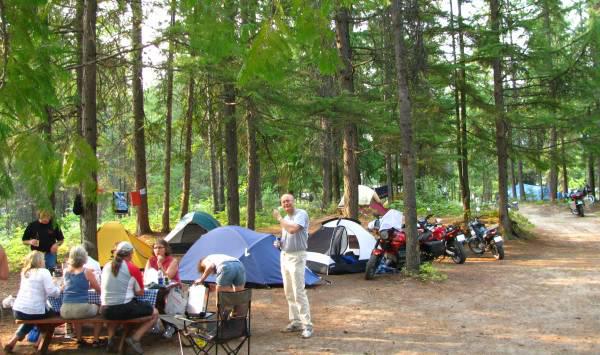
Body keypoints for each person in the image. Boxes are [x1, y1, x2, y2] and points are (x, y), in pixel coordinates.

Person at [101, 242, 158, 354]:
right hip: (123, 309)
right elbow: (140, 293)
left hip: (105, 310)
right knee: (155, 313)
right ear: (131, 254)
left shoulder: (106, 266)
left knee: (113, 313)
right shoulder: (132, 268)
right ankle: (135, 338)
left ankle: (111, 340)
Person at [272, 193, 313, 339]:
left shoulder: (301, 214)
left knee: (298, 291)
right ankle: (295, 321)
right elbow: (287, 234)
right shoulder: (286, 219)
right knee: (288, 291)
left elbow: (293, 229)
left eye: (288, 200)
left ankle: (307, 325)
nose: (286, 203)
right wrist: (280, 243)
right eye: (283, 202)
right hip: (285, 255)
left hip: (297, 256)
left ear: (293, 201)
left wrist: (278, 218)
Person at [4, 251, 60, 352]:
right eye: (43, 259)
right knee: (57, 315)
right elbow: (52, 292)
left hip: (18, 310)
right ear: (39, 261)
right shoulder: (44, 272)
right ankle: (40, 344)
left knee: (32, 317)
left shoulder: (25, 272)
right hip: (34, 310)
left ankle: (14, 340)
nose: (44, 261)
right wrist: (60, 288)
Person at [61, 245, 103, 347]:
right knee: (100, 311)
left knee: (76, 314)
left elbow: (64, 287)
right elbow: (98, 289)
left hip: (65, 310)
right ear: (84, 257)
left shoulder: (66, 271)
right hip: (81, 309)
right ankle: (96, 340)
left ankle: (79, 339)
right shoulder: (87, 272)